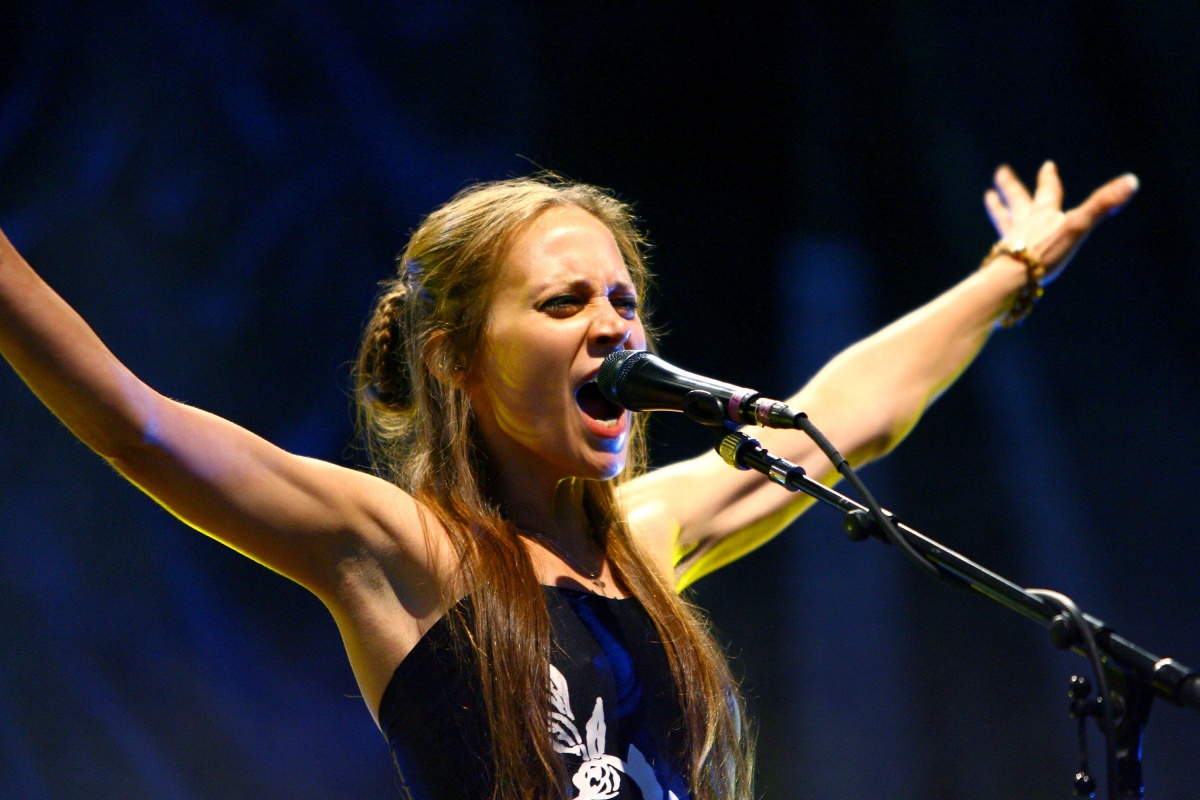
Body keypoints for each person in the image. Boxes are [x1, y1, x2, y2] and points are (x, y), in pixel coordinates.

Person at [0, 161, 1136, 800]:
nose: (611, 326)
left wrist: (1012, 270)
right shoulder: (407, 553)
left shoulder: (646, 534)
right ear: (457, 359)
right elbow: (137, 424)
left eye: (625, 300)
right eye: (563, 304)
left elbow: (851, 418)